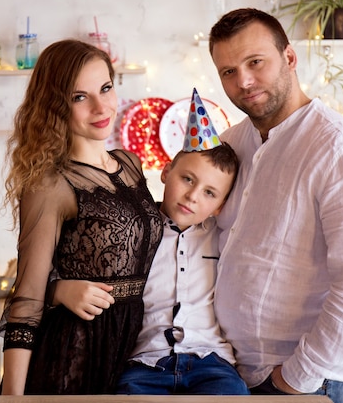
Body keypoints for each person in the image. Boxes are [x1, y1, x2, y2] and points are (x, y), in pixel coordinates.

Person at [207, 8, 343, 403]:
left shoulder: (342, 151)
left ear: (289, 58)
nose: (242, 81)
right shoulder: (230, 145)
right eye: (228, 71)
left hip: (308, 383)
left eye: (255, 62)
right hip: (232, 377)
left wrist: (294, 380)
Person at [54, 89, 249, 395]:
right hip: (144, 365)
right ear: (166, 172)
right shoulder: (132, 232)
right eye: (187, 179)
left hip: (210, 363)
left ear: (221, 205)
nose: (193, 196)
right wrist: (58, 288)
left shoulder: (223, 236)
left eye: (210, 193)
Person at [0, 39, 163, 395]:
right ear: (56, 106)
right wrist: (12, 397)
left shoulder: (131, 165)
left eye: (105, 88)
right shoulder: (50, 183)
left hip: (136, 350)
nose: (101, 106)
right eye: (79, 97)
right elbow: (25, 300)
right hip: (75, 354)